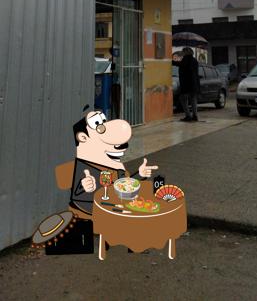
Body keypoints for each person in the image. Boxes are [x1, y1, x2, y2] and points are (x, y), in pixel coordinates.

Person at [40, 107, 159, 254]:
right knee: (126, 212)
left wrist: (140, 174)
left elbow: (124, 184)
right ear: (83, 137)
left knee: (138, 203)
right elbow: (80, 193)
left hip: (109, 201)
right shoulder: (85, 165)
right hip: (91, 205)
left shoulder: (113, 164)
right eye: (98, 125)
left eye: (104, 121)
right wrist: (85, 187)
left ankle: (133, 240)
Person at [172, 48, 200, 122]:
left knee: (183, 98)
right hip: (194, 83)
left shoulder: (186, 59)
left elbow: (180, 64)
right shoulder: (194, 60)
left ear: (187, 52)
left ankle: (188, 116)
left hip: (187, 84)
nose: (182, 52)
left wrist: (171, 61)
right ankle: (195, 116)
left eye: (183, 51)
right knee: (193, 99)